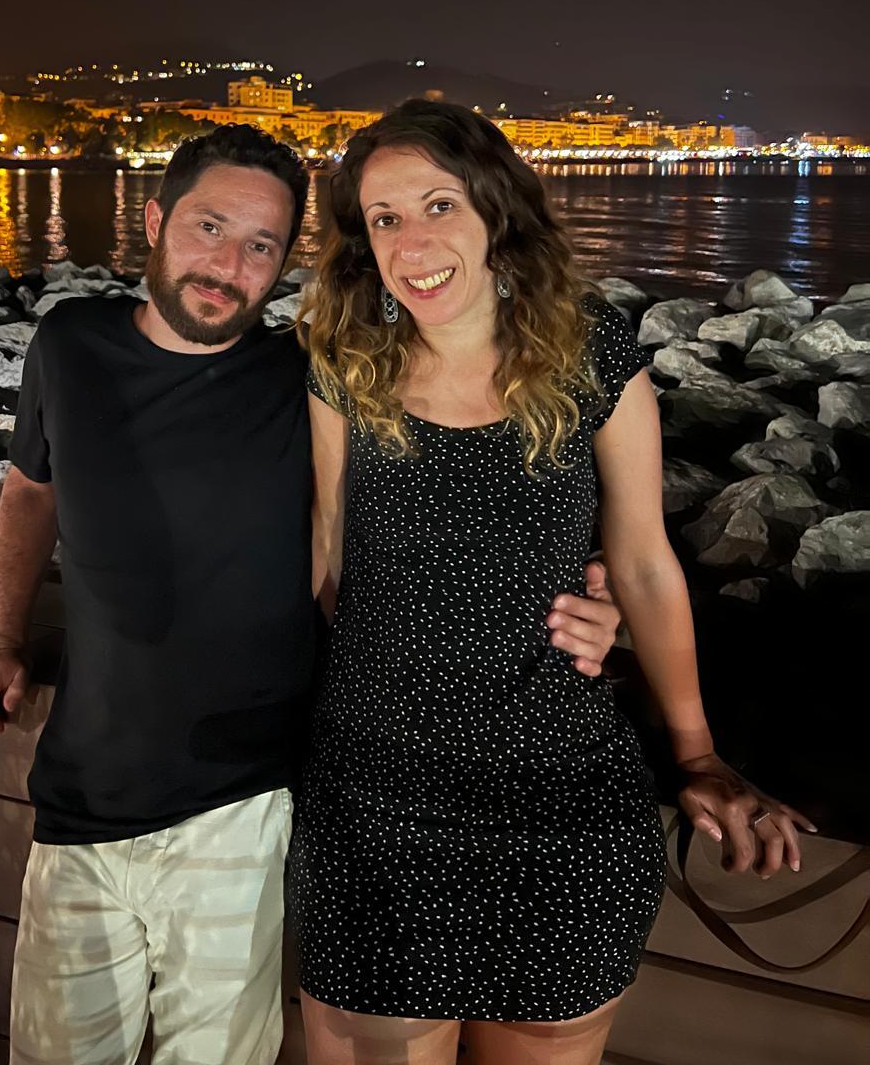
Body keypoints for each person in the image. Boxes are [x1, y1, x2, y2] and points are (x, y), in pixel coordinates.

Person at [0, 123, 624, 1065]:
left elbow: (445, 509)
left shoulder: (311, 380)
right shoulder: (69, 344)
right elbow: (30, 486)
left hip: (244, 800)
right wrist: (1, 633)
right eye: (208, 228)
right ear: (154, 221)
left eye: (261, 246)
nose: (228, 265)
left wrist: (589, 601)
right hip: (80, 802)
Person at [291, 98, 816, 1065]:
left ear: (495, 211)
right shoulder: (344, 363)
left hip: (563, 796)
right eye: (385, 218)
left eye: (439, 205)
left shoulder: (589, 357)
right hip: (375, 800)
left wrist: (695, 751)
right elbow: (322, 556)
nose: (414, 242)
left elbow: (646, 559)